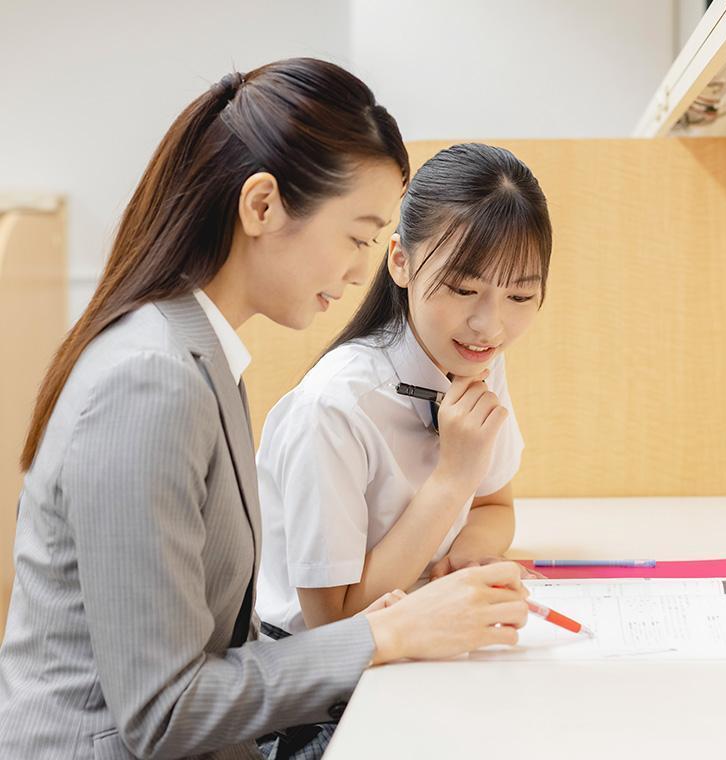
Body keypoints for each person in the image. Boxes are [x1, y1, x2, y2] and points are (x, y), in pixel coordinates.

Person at [0, 60, 528, 760]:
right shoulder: (150, 380)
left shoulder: (197, 352)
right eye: (357, 236)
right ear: (262, 207)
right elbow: (165, 713)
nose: (357, 272)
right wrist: (389, 633)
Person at [256, 142, 552, 635]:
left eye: (520, 295)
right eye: (463, 289)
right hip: (325, 678)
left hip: (420, 633)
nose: (490, 326)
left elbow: (494, 506)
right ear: (401, 261)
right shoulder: (334, 407)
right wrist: (452, 479)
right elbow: (334, 623)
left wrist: (467, 558)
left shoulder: (471, 357)